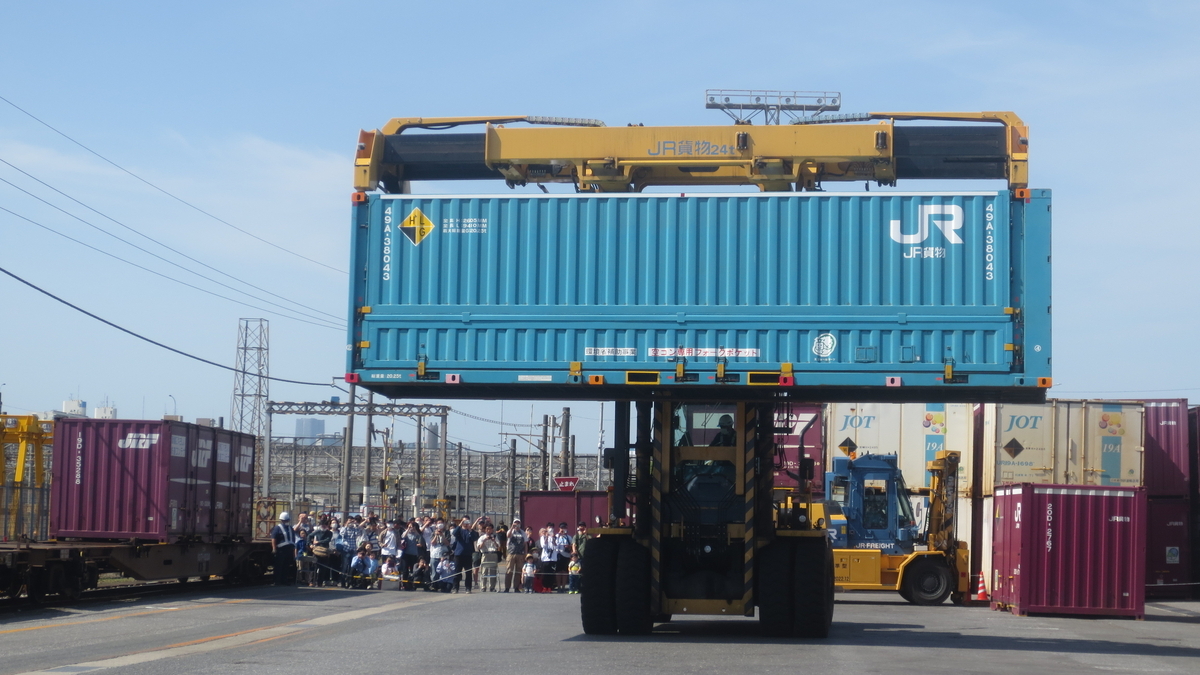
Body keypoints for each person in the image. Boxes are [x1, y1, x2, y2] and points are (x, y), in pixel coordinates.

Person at [451, 517, 479, 594]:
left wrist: (470, 529)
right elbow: (454, 533)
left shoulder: (471, 531)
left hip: (468, 554)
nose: (466, 523)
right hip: (459, 554)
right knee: (457, 572)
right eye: (464, 521)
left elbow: (475, 538)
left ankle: (468, 588)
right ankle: (455, 588)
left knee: (468, 572)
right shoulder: (459, 530)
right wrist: (460, 524)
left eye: (467, 521)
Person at [269, 512, 297, 586]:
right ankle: (277, 581)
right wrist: (274, 548)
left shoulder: (290, 528)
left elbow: (293, 538)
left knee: (286, 565)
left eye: (287, 520)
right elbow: (273, 538)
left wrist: (294, 548)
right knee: (279, 565)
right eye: (285, 520)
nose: (286, 521)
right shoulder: (277, 528)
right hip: (281, 549)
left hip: (289, 549)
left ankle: (284, 580)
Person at [503, 518, 527, 592]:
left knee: (518, 571)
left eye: (518, 523)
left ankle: (516, 587)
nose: (517, 525)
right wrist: (512, 528)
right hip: (511, 553)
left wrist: (525, 554)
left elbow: (525, 543)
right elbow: (508, 536)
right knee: (509, 570)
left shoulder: (523, 533)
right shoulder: (511, 531)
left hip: (520, 553)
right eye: (516, 523)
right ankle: (507, 587)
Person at [476, 524, 501, 592]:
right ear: (485, 530)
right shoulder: (482, 537)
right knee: (484, 571)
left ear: (492, 530)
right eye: (487, 529)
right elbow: (479, 547)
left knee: (493, 571)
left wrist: (494, 541)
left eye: (490, 529)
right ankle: (483, 586)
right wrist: (484, 540)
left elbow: (498, 547)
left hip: (493, 554)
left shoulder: (495, 537)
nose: (488, 530)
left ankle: (492, 587)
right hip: (485, 554)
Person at [311, 517, 335, 587]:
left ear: (327, 526)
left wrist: (318, 542)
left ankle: (320, 582)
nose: (323, 526)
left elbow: (327, 540)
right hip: (316, 551)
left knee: (323, 568)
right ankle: (312, 581)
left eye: (325, 525)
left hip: (324, 551)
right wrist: (310, 544)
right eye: (322, 525)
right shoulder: (317, 531)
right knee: (314, 567)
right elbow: (309, 536)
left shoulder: (329, 533)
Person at [539, 524, 560, 592]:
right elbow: (543, 545)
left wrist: (553, 538)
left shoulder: (556, 536)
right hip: (545, 558)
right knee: (545, 573)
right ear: (547, 528)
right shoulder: (543, 537)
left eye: (552, 527)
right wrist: (547, 537)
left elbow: (556, 546)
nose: (550, 529)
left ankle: (550, 587)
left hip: (553, 558)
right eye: (549, 527)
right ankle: (545, 587)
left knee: (551, 573)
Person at [555, 522, 572, 591]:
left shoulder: (568, 537)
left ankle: (563, 587)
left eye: (564, 528)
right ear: (559, 528)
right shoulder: (556, 536)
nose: (563, 529)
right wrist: (559, 535)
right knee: (558, 571)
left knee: (565, 571)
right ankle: (559, 586)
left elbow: (572, 545)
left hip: (566, 555)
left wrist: (569, 546)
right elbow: (554, 544)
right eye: (562, 528)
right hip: (558, 555)